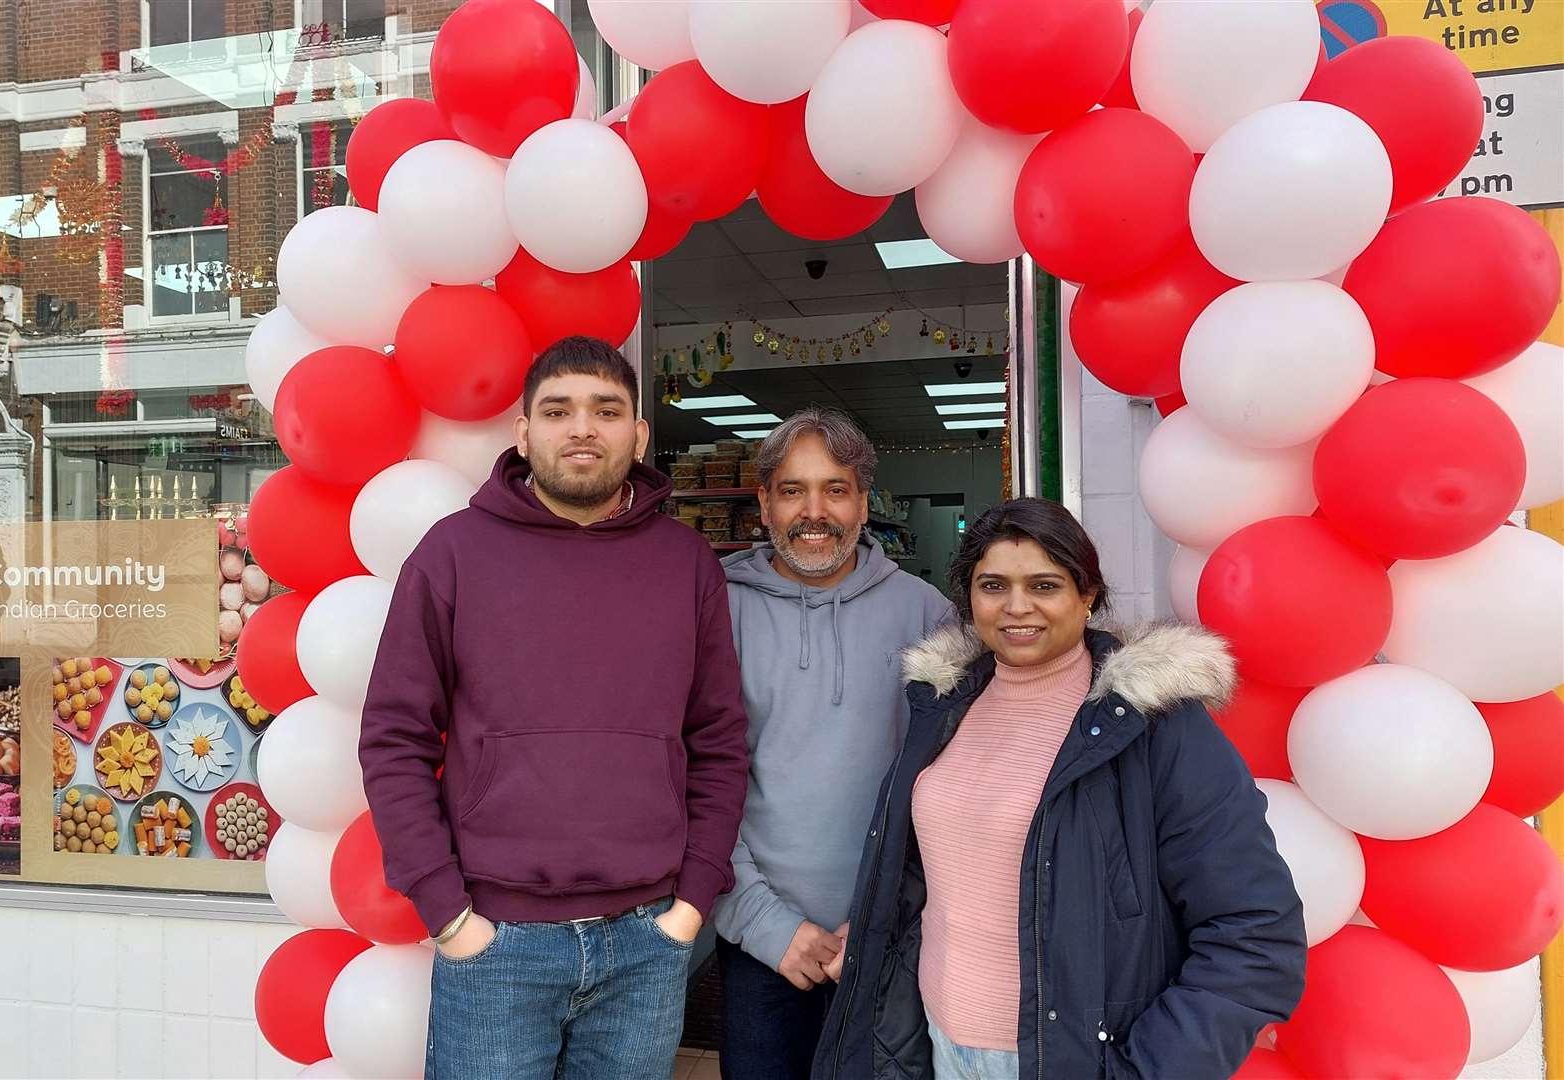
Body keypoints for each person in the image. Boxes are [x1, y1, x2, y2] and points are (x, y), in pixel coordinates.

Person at [358, 336, 750, 1080]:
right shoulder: (452, 555)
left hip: (646, 942)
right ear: (524, 432)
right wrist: (447, 912)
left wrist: (691, 903)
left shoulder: (686, 562)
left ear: (637, 435)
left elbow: (720, 741)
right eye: (558, 409)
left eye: (607, 410)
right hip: (497, 944)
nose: (582, 428)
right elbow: (393, 738)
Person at [815, 498, 1306, 1080]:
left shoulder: (1151, 723)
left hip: (1073, 1060)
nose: (1017, 607)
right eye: (993, 584)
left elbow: (1255, 934)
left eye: (1044, 584)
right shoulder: (943, 706)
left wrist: (1146, 1071)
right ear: (968, 598)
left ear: (1087, 594)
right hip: (936, 1042)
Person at [713, 407, 956, 1080]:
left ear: (864, 502)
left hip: (891, 940)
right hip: (759, 938)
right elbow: (693, 783)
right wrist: (764, 924)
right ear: (763, 503)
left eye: (836, 489)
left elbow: (945, 791)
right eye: (793, 489)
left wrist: (885, 918)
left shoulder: (928, 616)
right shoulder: (713, 610)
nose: (813, 511)